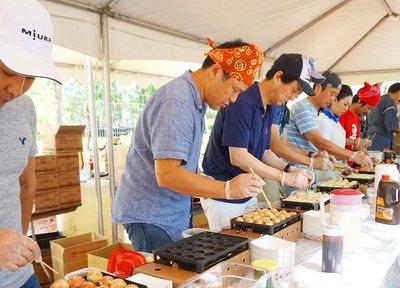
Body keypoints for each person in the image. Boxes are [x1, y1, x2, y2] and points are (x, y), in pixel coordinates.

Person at [113, 39, 265, 252]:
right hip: (153, 217)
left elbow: (175, 161)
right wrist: (228, 189)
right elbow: (167, 175)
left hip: (171, 212)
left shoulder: (194, 100)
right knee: (163, 281)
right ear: (215, 71)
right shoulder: (177, 102)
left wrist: (201, 178)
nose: (233, 99)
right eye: (233, 89)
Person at [200, 53, 320, 231]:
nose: (294, 97)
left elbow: (264, 152)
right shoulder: (242, 100)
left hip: (249, 193)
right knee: (232, 251)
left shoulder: (270, 106)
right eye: (295, 90)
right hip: (225, 196)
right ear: (278, 78)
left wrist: (290, 168)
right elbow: (238, 157)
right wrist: (283, 177)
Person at [0, 0, 60, 288]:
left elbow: (26, 182)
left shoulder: (24, 107)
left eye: (30, 78)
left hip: (20, 280)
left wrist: (19, 237)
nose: (16, 88)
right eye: (7, 71)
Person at [286, 71, 373, 168]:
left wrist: (317, 155)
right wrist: (352, 155)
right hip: (296, 168)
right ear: (318, 88)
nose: (332, 99)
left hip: (306, 168)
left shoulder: (313, 110)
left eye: (335, 96)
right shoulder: (303, 108)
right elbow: (319, 142)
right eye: (332, 94)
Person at [339, 82, 380, 153]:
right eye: (368, 108)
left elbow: (358, 144)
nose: (368, 112)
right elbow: (336, 139)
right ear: (359, 101)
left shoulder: (357, 118)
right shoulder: (342, 114)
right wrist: (356, 142)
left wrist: (367, 156)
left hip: (350, 161)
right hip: (340, 162)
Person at [366, 82, 400, 151]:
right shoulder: (389, 101)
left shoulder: (382, 98)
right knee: (375, 157)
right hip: (379, 136)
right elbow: (391, 125)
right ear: (398, 92)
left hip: (373, 134)